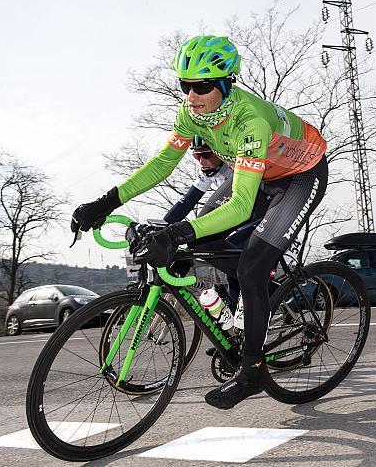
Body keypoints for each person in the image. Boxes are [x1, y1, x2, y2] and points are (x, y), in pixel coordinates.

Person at [71, 35, 328, 410]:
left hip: (302, 175)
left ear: (226, 83)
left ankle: (253, 369)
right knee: (204, 230)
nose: (192, 95)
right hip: (261, 176)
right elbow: (161, 164)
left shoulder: (249, 121)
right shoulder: (189, 115)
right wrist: (106, 201)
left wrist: (175, 233)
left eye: (202, 85)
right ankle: (237, 314)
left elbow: (240, 205)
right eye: (185, 84)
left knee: (252, 267)